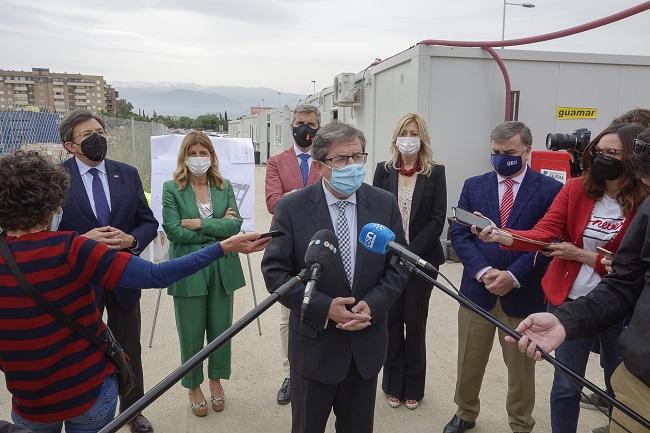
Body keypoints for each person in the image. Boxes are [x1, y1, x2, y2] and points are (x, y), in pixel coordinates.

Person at [0, 151, 270, 433]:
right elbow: (156, 274)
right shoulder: (73, 249)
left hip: (30, 400)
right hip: (88, 393)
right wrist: (223, 246)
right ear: (53, 202)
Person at [476, 122, 648, 433]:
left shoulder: (644, 201)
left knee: (618, 387)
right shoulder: (576, 189)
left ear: (631, 160)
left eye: (613, 152)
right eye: (599, 151)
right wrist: (505, 236)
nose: (603, 158)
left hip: (620, 307)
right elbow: (545, 233)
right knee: (566, 385)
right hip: (571, 303)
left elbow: (628, 268)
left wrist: (584, 256)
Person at [261, 122, 409, 433]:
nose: (353, 165)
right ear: (319, 166)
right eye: (341, 159)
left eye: (358, 156)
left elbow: (400, 265)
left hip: (365, 347)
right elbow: (275, 273)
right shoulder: (292, 208)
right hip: (314, 348)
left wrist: (373, 304)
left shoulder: (384, 203)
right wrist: (324, 307)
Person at [448, 121, 563, 433]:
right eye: (495, 152)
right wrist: (484, 272)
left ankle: (520, 422)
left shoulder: (550, 190)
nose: (501, 158)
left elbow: (546, 243)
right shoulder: (474, 185)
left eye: (509, 152)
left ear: (526, 150)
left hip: (522, 295)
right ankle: (465, 412)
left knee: (521, 368)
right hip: (478, 290)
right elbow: (459, 234)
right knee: (469, 361)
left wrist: (513, 276)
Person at [57, 109, 158, 433]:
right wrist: (78, 242)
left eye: (100, 132)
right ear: (70, 146)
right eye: (87, 135)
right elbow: (42, 232)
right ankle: (84, 411)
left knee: (129, 346)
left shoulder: (126, 174)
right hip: (80, 283)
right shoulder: (56, 180)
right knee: (81, 347)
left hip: (123, 276)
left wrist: (132, 239)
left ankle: (133, 410)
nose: (97, 139)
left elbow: (149, 222)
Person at [162, 131, 246, 416]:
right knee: (191, 332)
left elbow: (235, 227)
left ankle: (216, 380)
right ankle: (193, 385)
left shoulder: (225, 187)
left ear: (212, 156)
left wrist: (199, 223)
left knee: (221, 330)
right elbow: (174, 231)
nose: (199, 158)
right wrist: (218, 228)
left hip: (223, 270)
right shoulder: (172, 188)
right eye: (193, 153)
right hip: (189, 269)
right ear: (184, 157)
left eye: (203, 153)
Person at [372, 113, 447, 410]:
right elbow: (375, 211)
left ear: (422, 138)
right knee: (391, 322)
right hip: (388, 258)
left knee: (414, 323)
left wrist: (411, 253)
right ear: (396, 136)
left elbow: (437, 218)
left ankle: (414, 386)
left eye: (414, 132)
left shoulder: (435, 172)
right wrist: (395, 250)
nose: (409, 137)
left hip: (422, 260)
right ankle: (392, 383)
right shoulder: (383, 170)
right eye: (404, 131)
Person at [264, 104, 321, 404]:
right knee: (289, 314)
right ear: (292, 127)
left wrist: (294, 198)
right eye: (300, 123)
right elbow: (273, 202)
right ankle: (292, 372)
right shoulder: (277, 162)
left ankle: (318, 370)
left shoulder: (325, 160)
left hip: (324, 247)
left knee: (323, 308)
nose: (306, 129)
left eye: (311, 124)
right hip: (289, 246)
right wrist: (309, 198)